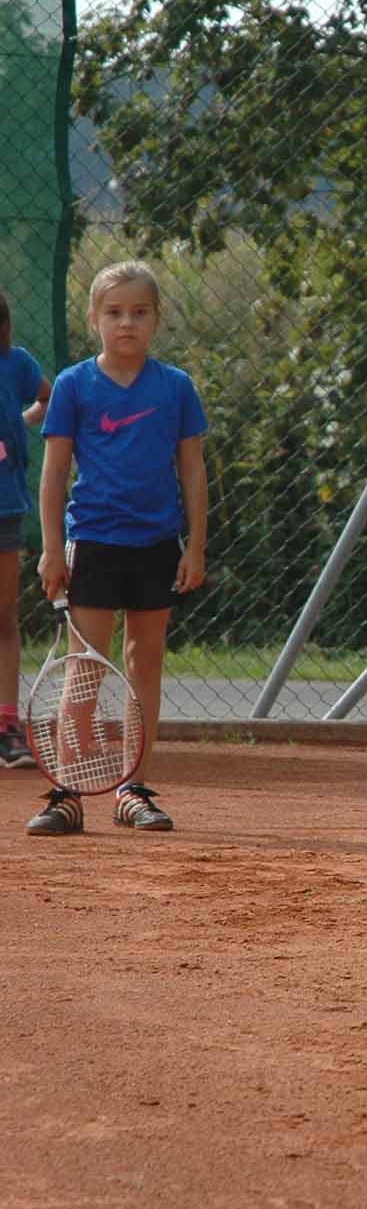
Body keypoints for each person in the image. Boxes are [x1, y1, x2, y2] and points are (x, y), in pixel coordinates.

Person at [27, 260, 208, 835]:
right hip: (94, 541)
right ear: (93, 319)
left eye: (138, 312)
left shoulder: (175, 387)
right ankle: (68, 792)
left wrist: (195, 546)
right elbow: (54, 473)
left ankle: (134, 788)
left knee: (143, 665)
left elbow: (193, 470)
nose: (126, 322)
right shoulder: (74, 385)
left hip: (156, 544)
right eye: (114, 312)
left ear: (156, 319)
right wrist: (52, 549)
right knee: (85, 668)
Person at [0, 289, 52, 768]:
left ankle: (6, 727)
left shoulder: (15, 364)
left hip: (5, 509)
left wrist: (20, 422)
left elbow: (47, 396)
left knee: (4, 615)